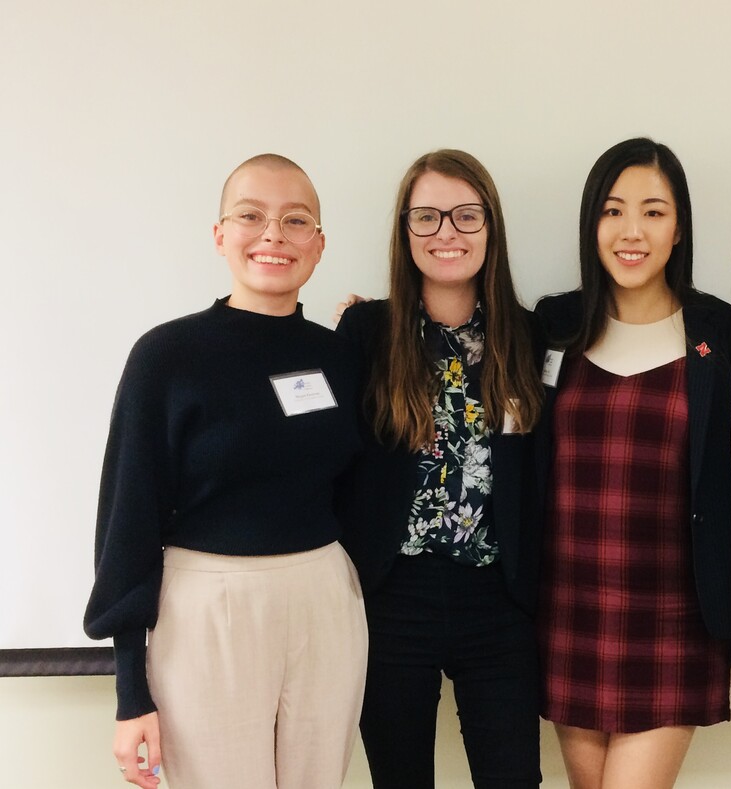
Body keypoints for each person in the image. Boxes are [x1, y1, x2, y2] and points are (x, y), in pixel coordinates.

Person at [83, 154, 367, 789]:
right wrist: (132, 694)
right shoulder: (166, 356)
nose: (273, 235)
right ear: (219, 235)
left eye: (296, 221)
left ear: (319, 245)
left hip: (324, 598)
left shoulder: (342, 357)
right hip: (208, 606)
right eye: (251, 215)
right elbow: (126, 520)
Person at [535, 138, 731, 789]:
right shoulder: (553, 324)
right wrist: (372, 324)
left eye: (653, 212)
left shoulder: (720, 332)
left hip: (672, 615)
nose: (632, 231)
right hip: (570, 608)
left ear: (678, 228)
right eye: (613, 210)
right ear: (590, 222)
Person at [335, 149, 545, 789]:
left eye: (464, 215)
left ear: (491, 227)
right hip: (393, 599)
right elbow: (332, 460)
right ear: (404, 232)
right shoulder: (367, 331)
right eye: (425, 218)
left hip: (497, 601)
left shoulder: (531, 337)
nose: (446, 233)